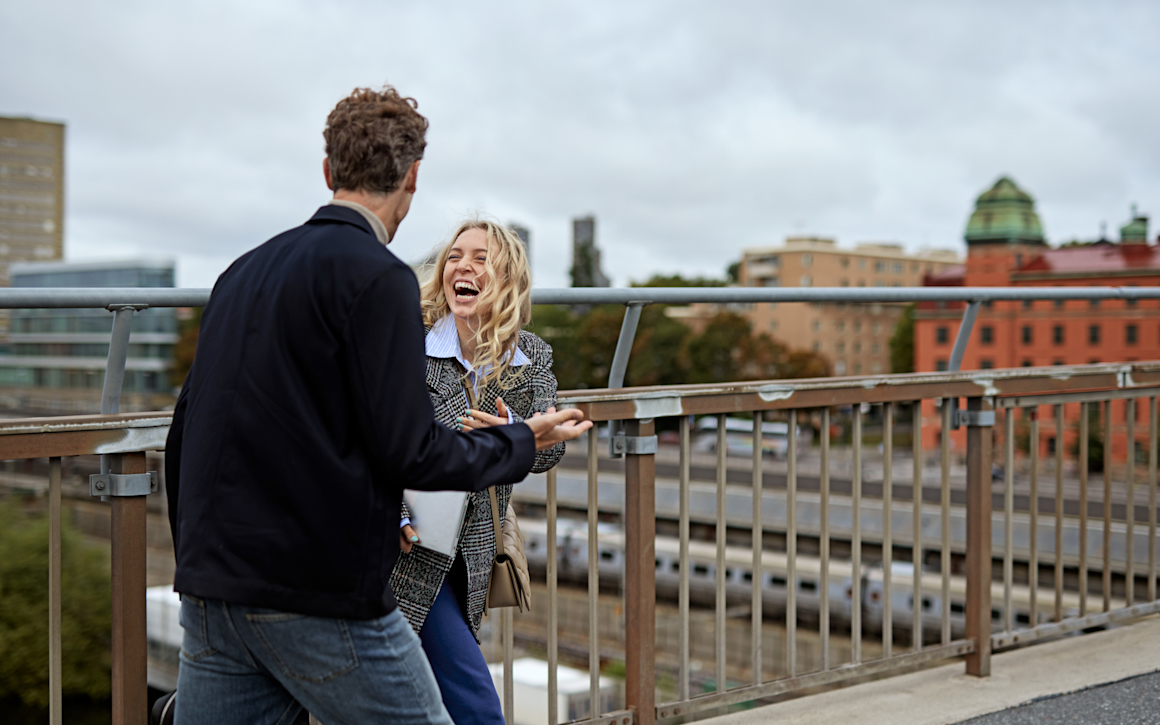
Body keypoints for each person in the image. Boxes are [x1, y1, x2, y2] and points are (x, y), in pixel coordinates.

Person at [164, 86, 591, 725]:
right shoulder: (378, 277)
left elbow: (186, 429)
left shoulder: (241, 272)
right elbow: (409, 451)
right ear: (412, 177)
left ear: (329, 170)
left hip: (210, 588)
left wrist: (194, 558)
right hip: (316, 592)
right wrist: (522, 440)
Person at [390, 220, 562, 724]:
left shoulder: (531, 360)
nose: (462, 267)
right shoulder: (407, 345)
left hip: (468, 559)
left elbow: (549, 454)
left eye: (481, 258)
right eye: (454, 256)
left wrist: (515, 430)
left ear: (507, 276)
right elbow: (368, 435)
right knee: (477, 708)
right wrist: (390, 510)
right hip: (405, 551)